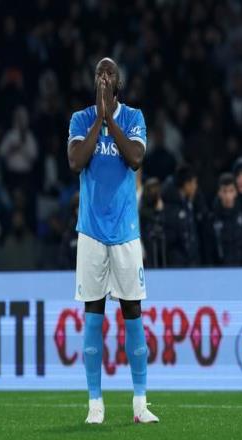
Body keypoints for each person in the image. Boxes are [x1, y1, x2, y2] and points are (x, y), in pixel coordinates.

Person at [67, 57, 158, 424]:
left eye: (110, 74)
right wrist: (99, 119)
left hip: (125, 233)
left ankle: (140, 403)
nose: (103, 78)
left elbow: (135, 158)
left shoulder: (134, 117)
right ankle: (95, 404)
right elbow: (76, 161)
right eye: (98, 73)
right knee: (93, 317)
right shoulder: (80, 119)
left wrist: (110, 120)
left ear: (119, 83)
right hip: (90, 232)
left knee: (133, 314)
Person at [163, 165, 200, 267]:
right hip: (178, 265)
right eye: (194, 183)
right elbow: (171, 239)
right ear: (186, 184)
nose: (195, 187)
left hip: (192, 263)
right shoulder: (171, 207)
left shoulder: (188, 203)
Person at [206, 173, 242, 266]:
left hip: (241, 269)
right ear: (219, 193)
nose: (228, 196)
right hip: (218, 269)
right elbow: (208, 249)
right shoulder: (212, 219)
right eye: (224, 191)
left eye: (231, 191)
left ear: (236, 192)